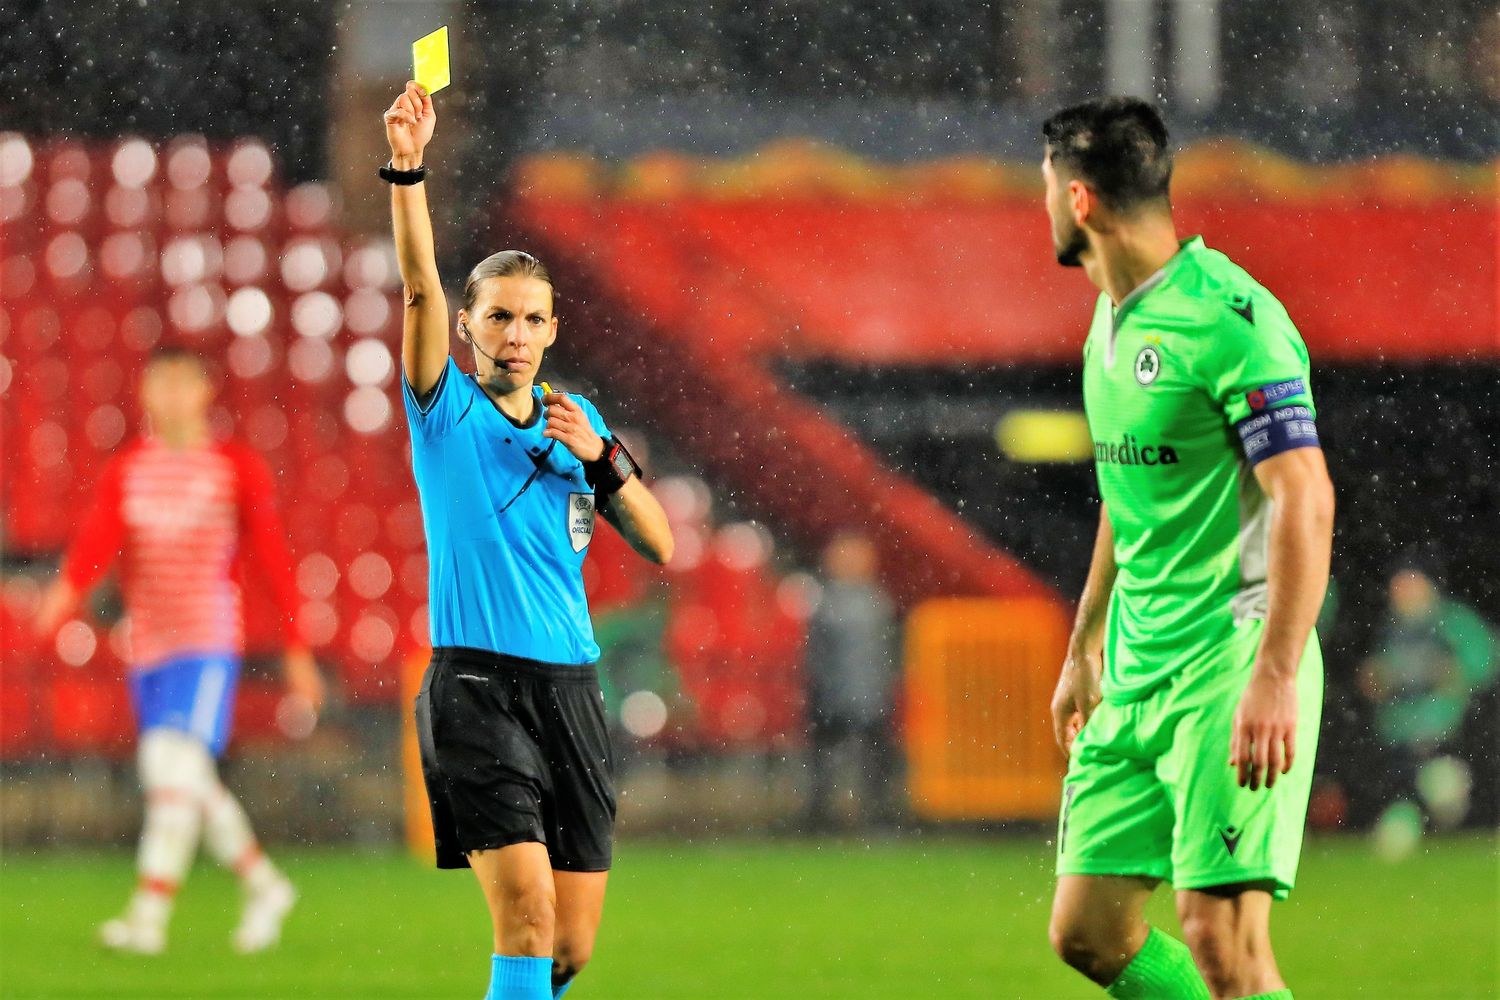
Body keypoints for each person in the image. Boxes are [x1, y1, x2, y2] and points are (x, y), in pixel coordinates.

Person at [382, 81, 674, 1000]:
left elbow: (659, 542)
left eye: (531, 318)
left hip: (574, 690)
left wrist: (603, 460)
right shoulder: (445, 412)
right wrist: (408, 168)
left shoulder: (577, 422)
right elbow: (418, 282)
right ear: (466, 325)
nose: (514, 334)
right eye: (497, 316)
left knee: (568, 950)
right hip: (477, 688)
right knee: (527, 915)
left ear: (553, 329)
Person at [1039, 98, 1336, 1000]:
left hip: (1229, 660)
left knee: (1223, 943)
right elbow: (1128, 496)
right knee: (1089, 933)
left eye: (1045, 188)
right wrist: (1085, 641)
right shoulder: (1108, 323)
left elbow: (1305, 495)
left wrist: (1275, 674)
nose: (1043, 207)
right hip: (1136, 666)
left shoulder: (1231, 319)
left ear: (1080, 199)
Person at [34, 346, 325, 955]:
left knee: (170, 774)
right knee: (181, 776)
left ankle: (148, 918)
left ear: (203, 391)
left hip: (206, 643)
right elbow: (99, 539)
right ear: (144, 394)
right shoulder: (129, 470)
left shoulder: (234, 468)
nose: (169, 397)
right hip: (148, 648)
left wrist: (296, 649)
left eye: (180, 384)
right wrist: (67, 590)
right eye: (158, 385)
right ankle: (265, 884)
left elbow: (271, 559)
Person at [1358, 565, 1496, 854]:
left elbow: (1482, 663)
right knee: (1406, 796)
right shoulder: (1392, 630)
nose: (1401, 596)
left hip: (1447, 737)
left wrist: (1451, 672)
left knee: (1443, 789)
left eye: (1409, 587)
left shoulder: (1451, 622)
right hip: (1399, 737)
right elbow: (1375, 677)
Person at [802, 531, 901, 832]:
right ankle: (823, 816)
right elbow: (816, 654)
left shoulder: (876, 602)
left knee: (873, 760)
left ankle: (875, 815)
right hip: (834, 695)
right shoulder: (827, 602)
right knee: (828, 760)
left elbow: (886, 654)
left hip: (868, 695)